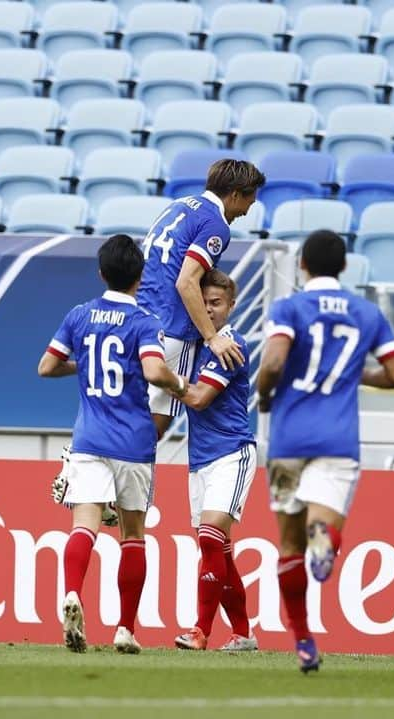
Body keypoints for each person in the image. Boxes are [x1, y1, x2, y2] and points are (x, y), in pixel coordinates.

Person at [255, 230, 394, 673]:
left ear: (302, 264)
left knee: (287, 546)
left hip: (287, 441)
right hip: (338, 441)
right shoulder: (367, 314)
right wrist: (352, 376)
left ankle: (302, 639)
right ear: (344, 268)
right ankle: (327, 538)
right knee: (321, 525)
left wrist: (265, 396)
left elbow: (275, 363)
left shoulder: (287, 308)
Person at [38, 234, 189, 655]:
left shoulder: (80, 315)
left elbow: (46, 367)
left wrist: (83, 365)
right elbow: (156, 373)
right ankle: (125, 628)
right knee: (133, 535)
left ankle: (71, 593)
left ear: (101, 273)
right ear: (140, 277)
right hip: (133, 443)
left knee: (83, 525)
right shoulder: (144, 321)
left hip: (89, 438)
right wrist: (182, 386)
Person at [137, 158, 266, 439]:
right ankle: (132, 477)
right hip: (172, 327)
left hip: (140, 319)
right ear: (234, 195)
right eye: (249, 202)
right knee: (155, 423)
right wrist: (212, 337)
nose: (246, 212)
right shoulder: (216, 223)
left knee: (127, 406)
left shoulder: (177, 205)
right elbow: (186, 281)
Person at [169, 270, 258, 652]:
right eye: (203, 302)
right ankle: (243, 634)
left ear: (231, 306)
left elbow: (200, 397)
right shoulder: (195, 344)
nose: (208, 309)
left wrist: (161, 378)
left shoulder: (231, 344)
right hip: (200, 460)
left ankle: (199, 631)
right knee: (217, 550)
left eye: (216, 303)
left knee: (209, 538)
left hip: (231, 453)